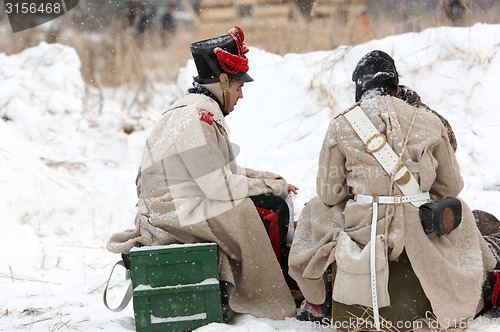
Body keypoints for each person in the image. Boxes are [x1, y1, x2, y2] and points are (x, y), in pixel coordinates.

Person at [288, 50, 496, 327]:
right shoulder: (430, 121)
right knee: (464, 214)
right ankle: (477, 287)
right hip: (422, 225)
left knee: (315, 209)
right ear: (396, 86)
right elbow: (451, 186)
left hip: (364, 227)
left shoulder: (341, 124)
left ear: (359, 89)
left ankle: (316, 299)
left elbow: (329, 192)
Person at [107, 26, 298, 320]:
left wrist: (271, 180)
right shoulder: (197, 117)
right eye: (238, 87)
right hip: (177, 213)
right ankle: (270, 291)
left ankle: (269, 281)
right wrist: (272, 190)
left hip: (178, 204)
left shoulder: (193, 110)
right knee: (271, 211)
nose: (241, 95)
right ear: (222, 83)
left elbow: (219, 173)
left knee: (270, 199)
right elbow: (219, 187)